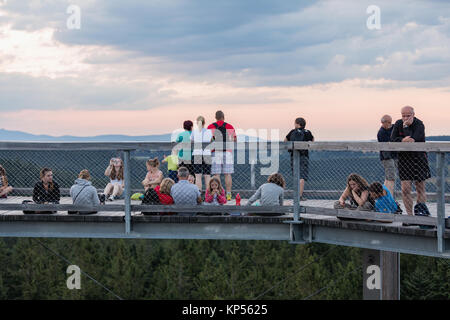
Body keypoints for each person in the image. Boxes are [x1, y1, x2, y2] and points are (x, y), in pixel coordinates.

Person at [390, 106, 431, 217]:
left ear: (413, 114)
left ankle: (420, 213)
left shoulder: (419, 124)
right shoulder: (398, 124)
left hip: (418, 159)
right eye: (403, 115)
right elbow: (393, 139)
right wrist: (403, 140)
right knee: (405, 189)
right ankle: (409, 216)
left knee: (420, 187)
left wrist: (407, 128)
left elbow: (414, 139)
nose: (405, 118)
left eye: (408, 115)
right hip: (404, 160)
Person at [207, 110, 237, 201]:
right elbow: (235, 139)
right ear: (224, 117)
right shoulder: (229, 126)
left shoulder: (211, 127)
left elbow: (208, 140)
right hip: (227, 152)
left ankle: (217, 194)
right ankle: (228, 195)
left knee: (217, 175)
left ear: (215, 118)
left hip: (216, 152)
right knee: (227, 174)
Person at [284, 117, 314, 201]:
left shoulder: (292, 132)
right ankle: (299, 196)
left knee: (295, 175)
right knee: (302, 176)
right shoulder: (307, 132)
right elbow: (312, 141)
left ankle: (295, 195)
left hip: (294, 156)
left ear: (297, 124)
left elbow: (285, 140)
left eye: (295, 123)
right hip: (303, 156)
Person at [191, 115, 213, 191]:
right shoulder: (209, 132)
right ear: (204, 123)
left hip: (197, 153)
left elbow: (191, 141)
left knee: (198, 176)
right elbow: (211, 141)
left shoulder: (194, 132)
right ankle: (208, 194)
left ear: (197, 123)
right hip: (207, 154)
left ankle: (199, 194)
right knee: (207, 176)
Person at [377, 115, 397, 196]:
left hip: (395, 156)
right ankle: (389, 196)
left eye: (390, 122)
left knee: (389, 177)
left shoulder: (394, 128)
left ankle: (384, 194)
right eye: (387, 122)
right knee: (390, 177)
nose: (389, 124)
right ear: (382, 123)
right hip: (387, 157)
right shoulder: (381, 133)